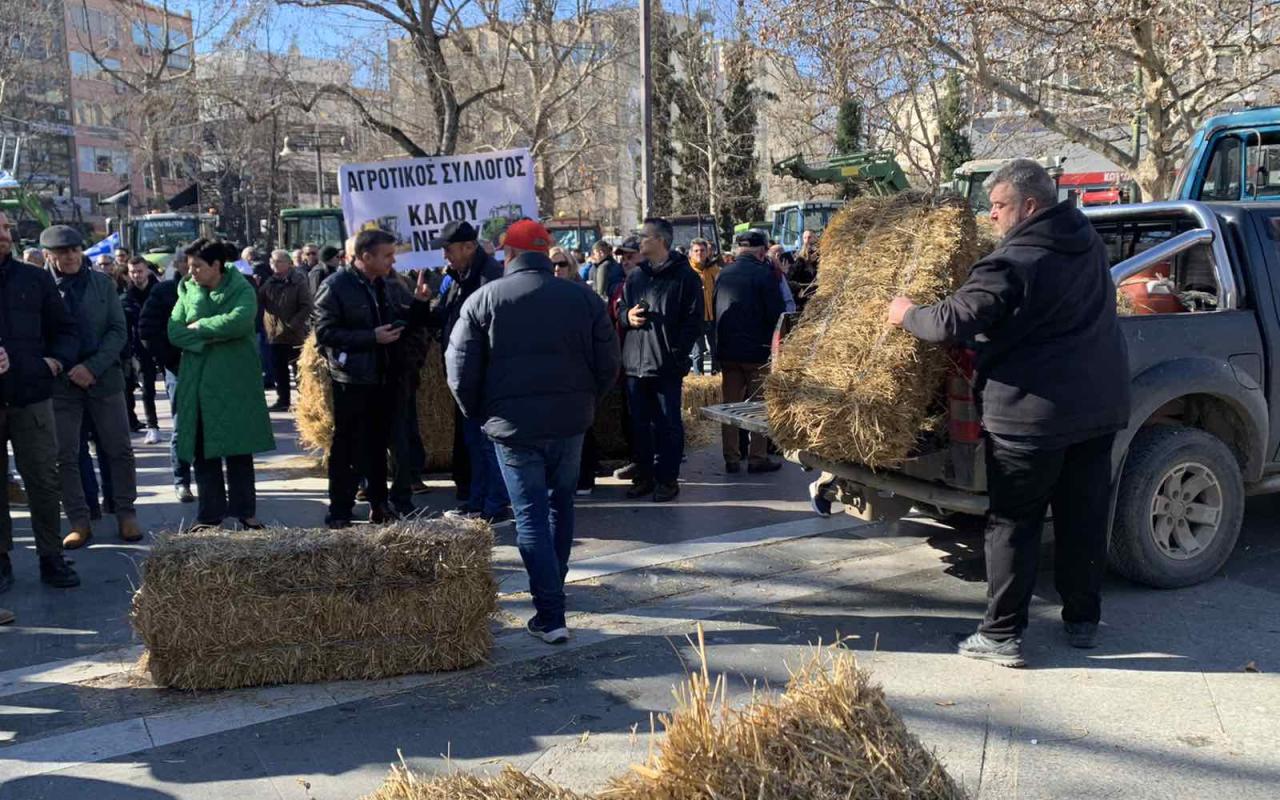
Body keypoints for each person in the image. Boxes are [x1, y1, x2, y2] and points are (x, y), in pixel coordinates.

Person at [888, 159, 1130, 667]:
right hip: (1097, 409)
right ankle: (1083, 620)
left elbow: (951, 320)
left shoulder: (1012, 260)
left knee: (1012, 523)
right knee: (1082, 517)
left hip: (1031, 419)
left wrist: (906, 313)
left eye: (998, 206)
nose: (991, 216)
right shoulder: (1084, 237)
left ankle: (1000, 636)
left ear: (1029, 206)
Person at [447, 219, 620, 644]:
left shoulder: (484, 299)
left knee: (530, 518)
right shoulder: (582, 297)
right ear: (546, 254)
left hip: (513, 428)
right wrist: (586, 402)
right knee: (560, 505)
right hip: (568, 421)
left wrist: (479, 413)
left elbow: (459, 368)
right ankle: (551, 599)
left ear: (507, 254)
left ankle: (550, 611)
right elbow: (608, 363)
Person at [312, 228, 433, 528]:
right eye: (387, 255)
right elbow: (325, 332)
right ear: (366, 257)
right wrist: (370, 337)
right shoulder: (335, 286)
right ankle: (340, 509)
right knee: (347, 446)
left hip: (387, 376)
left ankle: (380, 504)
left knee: (379, 445)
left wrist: (418, 303)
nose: (393, 261)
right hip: (353, 379)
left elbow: (404, 324)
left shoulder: (389, 285)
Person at [41, 225, 141, 548]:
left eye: (73, 250)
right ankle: (79, 521)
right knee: (64, 455)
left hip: (103, 379)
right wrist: (65, 366)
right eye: (61, 252)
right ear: (49, 255)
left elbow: (117, 331)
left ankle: (125, 512)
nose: (69, 257)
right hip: (61, 383)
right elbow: (36, 335)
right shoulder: (40, 287)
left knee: (119, 449)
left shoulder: (101, 283)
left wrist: (92, 367)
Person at [0, 213, 82, 601]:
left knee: (43, 480)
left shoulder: (33, 279)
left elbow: (64, 331)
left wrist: (53, 362)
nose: (6, 235)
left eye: (6, 228)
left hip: (31, 395)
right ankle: (2, 559)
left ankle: (51, 556)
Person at [168, 239, 276, 530]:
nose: (192, 273)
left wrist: (202, 328)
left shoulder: (241, 287)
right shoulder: (187, 289)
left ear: (217, 266)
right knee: (204, 453)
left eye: (198, 267)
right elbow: (174, 331)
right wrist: (216, 335)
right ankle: (210, 515)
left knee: (239, 451)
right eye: (190, 267)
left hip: (234, 382)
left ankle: (246, 512)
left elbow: (240, 322)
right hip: (199, 383)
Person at [618, 217, 704, 502]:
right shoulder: (636, 276)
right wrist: (627, 317)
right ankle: (644, 475)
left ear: (661, 241)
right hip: (634, 364)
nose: (639, 241)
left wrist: (677, 356)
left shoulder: (685, 277)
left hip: (665, 365)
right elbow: (620, 311)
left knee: (668, 424)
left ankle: (667, 480)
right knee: (638, 424)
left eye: (644, 236)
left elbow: (693, 322)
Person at [429, 220, 507, 519]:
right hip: (466, 371)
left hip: (482, 373)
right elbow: (443, 316)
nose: (445, 255)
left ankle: (493, 506)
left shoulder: (489, 278)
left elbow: (491, 329)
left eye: (448, 249)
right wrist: (422, 305)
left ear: (469, 246)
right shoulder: (459, 276)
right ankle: (478, 503)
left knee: (486, 442)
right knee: (474, 442)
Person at [714, 229, 784, 474]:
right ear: (762, 251)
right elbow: (776, 314)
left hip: (728, 352)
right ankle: (757, 457)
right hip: (756, 353)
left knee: (730, 406)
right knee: (758, 406)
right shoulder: (764, 275)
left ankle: (731, 457)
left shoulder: (723, 274)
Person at [138, 250, 194, 502]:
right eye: (190, 263)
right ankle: (182, 480)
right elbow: (148, 330)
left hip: (211, 369)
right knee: (182, 426)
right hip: (179, 368)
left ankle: (210, 481)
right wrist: (171, 360)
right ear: (180, 265)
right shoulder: (164, 292)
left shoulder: (214, 290)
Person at [259, 249, 313, 412]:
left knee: (299, 370)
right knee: (279, 369)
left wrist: (294, 324)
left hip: (293, 334)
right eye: (272, 262)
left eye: (278, 261)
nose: (274, 265)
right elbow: (258, 300)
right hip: (275, 334)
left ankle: (304, 401)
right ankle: (283, 400)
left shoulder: (298, 281)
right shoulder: (270, 282)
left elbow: (306, 305)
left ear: (288, 263)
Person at [121, 256, 161, 443]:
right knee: (147, 390)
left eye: (139, 271)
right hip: (139, 350)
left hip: (163, 346)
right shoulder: (125, 298)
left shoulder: (160, 292)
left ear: (147, 271)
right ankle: (152, 426)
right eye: (132, 272)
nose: (136, 275)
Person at [688, 237, 720, 376]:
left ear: (707, 252)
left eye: (702, 250)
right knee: (698, 352)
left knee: (715, 350)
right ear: (691, 253)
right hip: (695, 318)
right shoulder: (687, 271)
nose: (699, 253)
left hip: (713, 316)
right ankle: (698, 378)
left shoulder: (714, 269)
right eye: (696, 251)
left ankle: (716, 376)